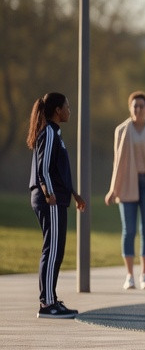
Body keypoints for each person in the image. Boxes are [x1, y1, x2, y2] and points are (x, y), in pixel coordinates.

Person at [28, 93, 88, 319]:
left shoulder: (55, 132)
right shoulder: (50, 132)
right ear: (57, 110)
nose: (69, 111)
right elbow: (43, 168)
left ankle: (51, 299)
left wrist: (73, 194)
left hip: (58, 198)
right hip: (50, 200)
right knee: (52, 250)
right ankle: (47, 304)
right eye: (67, 107)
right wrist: (48, 192)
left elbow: (58, 170)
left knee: (56, 249)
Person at [105, 91, 145, 290]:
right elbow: (117, 162)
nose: (138, 109)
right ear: (130, 108)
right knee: (129, 230)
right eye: (135, 106)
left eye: (141, 106)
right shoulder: (121, 130)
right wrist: (113, 189)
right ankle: (129, 275)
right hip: (127, 183)